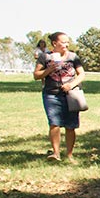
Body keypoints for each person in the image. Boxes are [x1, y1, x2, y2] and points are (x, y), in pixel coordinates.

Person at [32, 32, 84, 163]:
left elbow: (81, 74)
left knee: (70, 125)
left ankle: (69, 154)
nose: (66, 44)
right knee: (54, 123)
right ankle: (56, 153)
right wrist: (49, 70)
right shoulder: (45, 57)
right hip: (51, 94)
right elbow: (36, 75)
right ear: (55, 43)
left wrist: (71, 85)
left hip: (70, 94)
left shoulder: (73, 57)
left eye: (67, 42)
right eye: (63, 42)